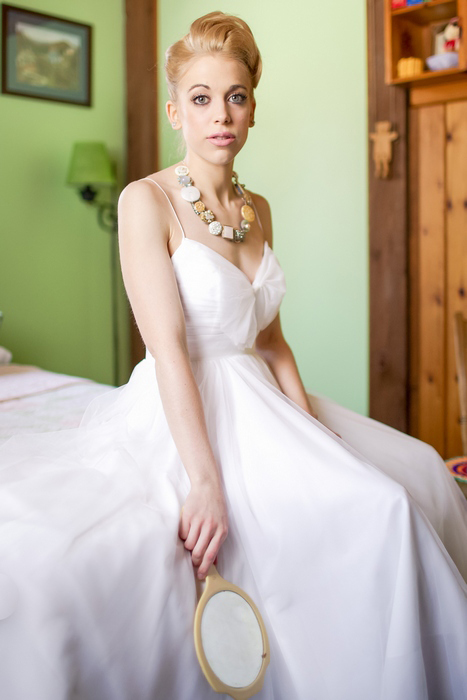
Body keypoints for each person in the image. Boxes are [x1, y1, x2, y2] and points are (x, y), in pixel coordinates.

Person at [0, 10, 466, 700]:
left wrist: (309, 425)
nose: (220, 114)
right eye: (200, 98)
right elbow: (167, 351)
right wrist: (204, 479)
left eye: (235, 96)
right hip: (187, 406)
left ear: (251, 109)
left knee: (417, 467)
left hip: (265, 399)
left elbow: (271, 340)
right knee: (379, 509)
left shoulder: (258, 209)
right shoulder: (144, 202)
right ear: (174, 112)